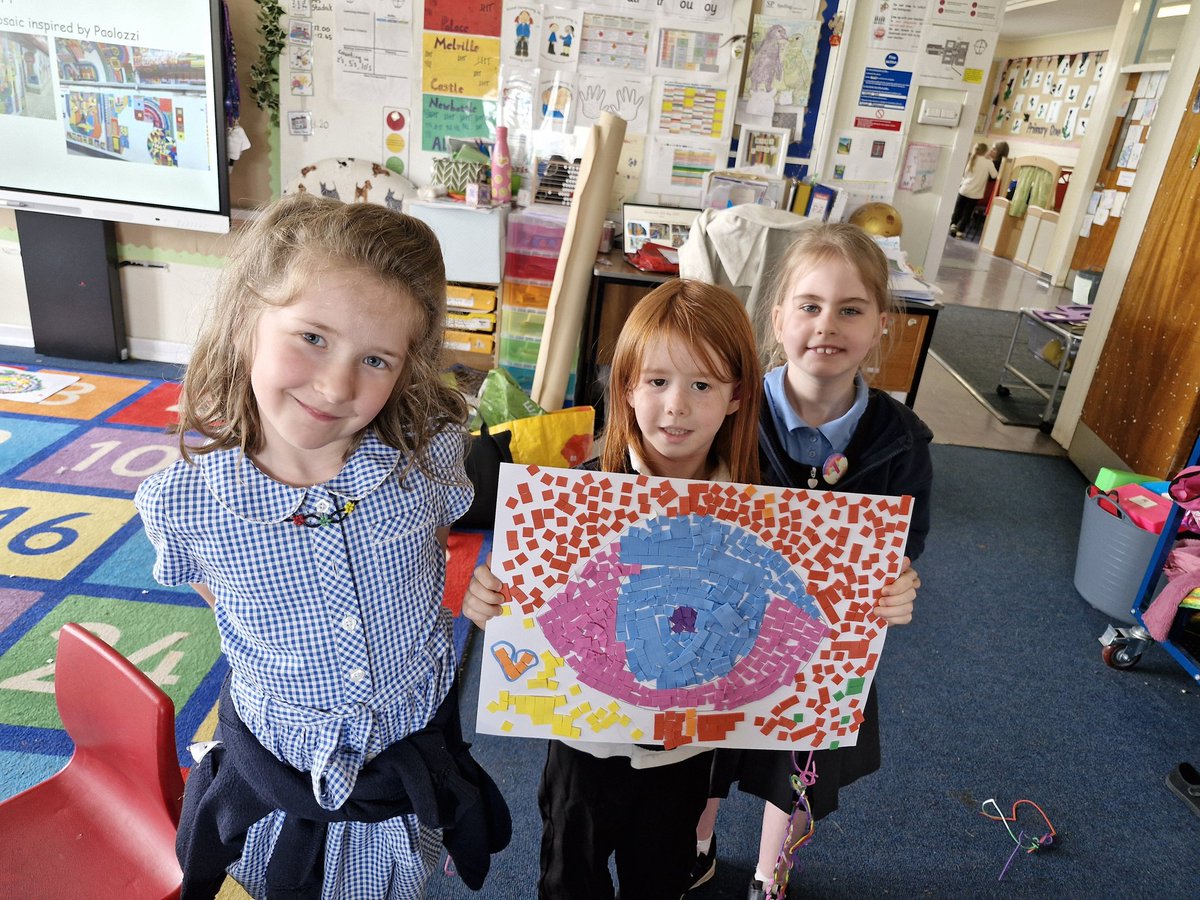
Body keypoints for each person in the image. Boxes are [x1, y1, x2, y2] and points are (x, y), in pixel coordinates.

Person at [135, 193, 509, 899]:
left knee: (404, 880)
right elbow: (225, 605)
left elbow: (436, 560)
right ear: (248, 317)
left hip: (411, 747)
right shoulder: (184, 500)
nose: (337, 385)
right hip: (285, 770)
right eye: (312, 337)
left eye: (375, 358)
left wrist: (475, 591)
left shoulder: (425, 459)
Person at [463, 278, 764, 900]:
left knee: (659, 882)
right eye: (656, 381)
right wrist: (489, 606)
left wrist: (878, 593)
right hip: (583, 746)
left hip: (682, 755)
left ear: (735, 397)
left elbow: (792, 612)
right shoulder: (573, 499)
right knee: (569, 884)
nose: (676, 406)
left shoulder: (760, 516)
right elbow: (531, 612)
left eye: (701, 385)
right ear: (627, 386)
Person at [691, 222, 931, 900]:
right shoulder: (729, 411)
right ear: (777, 317)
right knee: (707, 747)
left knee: (799, 761)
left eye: (851, 309)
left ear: (880, 324)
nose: (828, 325)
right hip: (726, 623)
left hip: (825, 643)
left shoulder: (902, 440)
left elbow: (904, 545)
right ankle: (698, 844)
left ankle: (771, 869)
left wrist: (902, 582)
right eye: (810, 305)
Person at [949, 141, 999, 238]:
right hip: (975, 194)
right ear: (986, 152)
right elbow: (994, 175)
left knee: (958, 210)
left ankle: (953, 225)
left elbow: (966, 174)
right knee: (967, 213)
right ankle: (960, 231)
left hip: (963, 190)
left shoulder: (972, 159)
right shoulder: (988, 163)